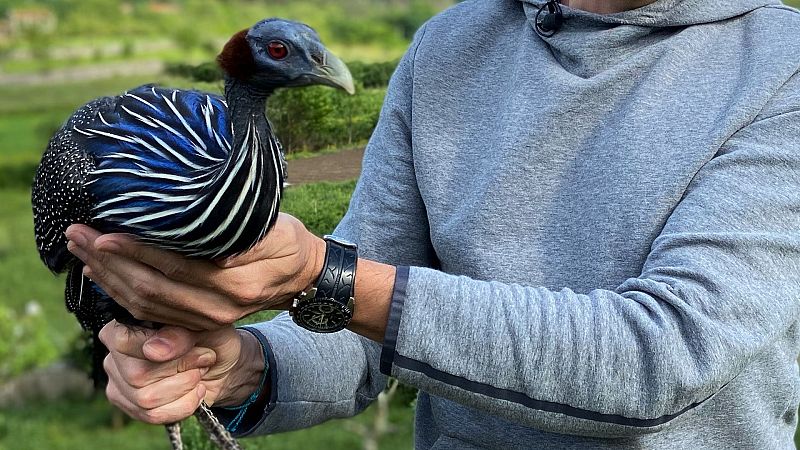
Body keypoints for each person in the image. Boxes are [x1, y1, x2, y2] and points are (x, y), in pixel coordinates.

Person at [64, 0, 800, 448]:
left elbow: (663, 355)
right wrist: (242, 367)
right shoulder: (448, 49)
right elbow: (362, 334)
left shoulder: (780, 67)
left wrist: (325, 275)